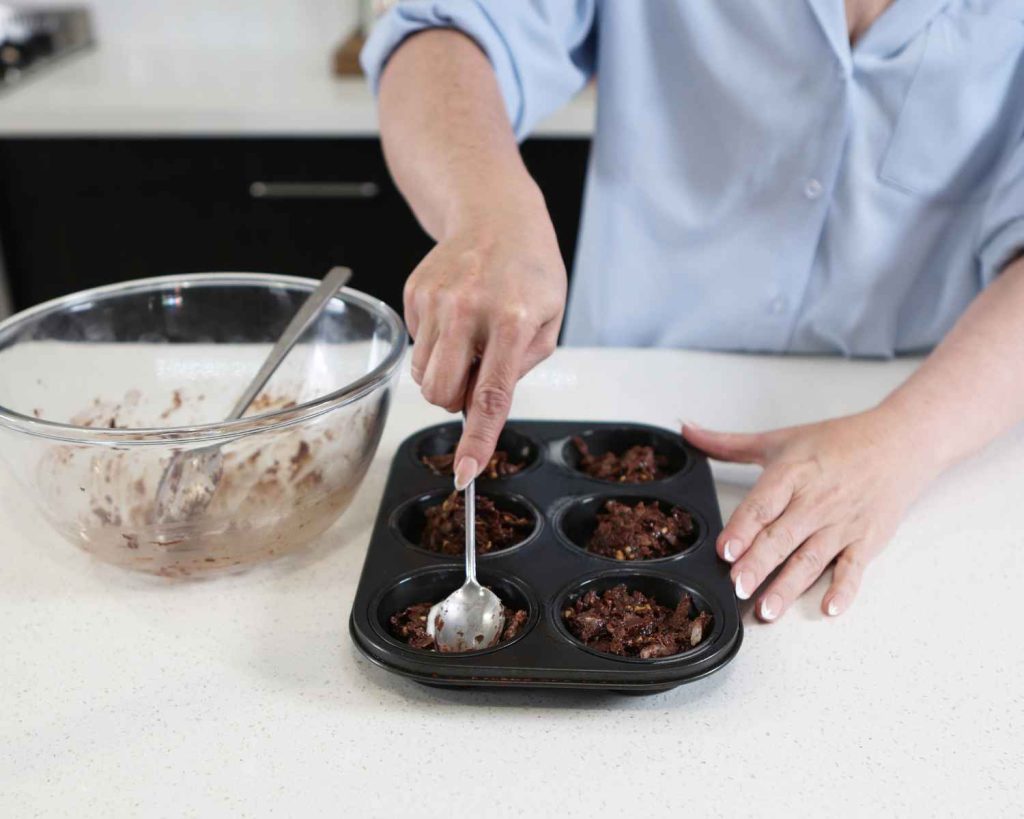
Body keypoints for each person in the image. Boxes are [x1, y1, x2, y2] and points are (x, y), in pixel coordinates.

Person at [360, 1, 1024, 622]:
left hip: (934, 419)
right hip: (623, 396)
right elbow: (446, 29)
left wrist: (907, 442)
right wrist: (488, 212)